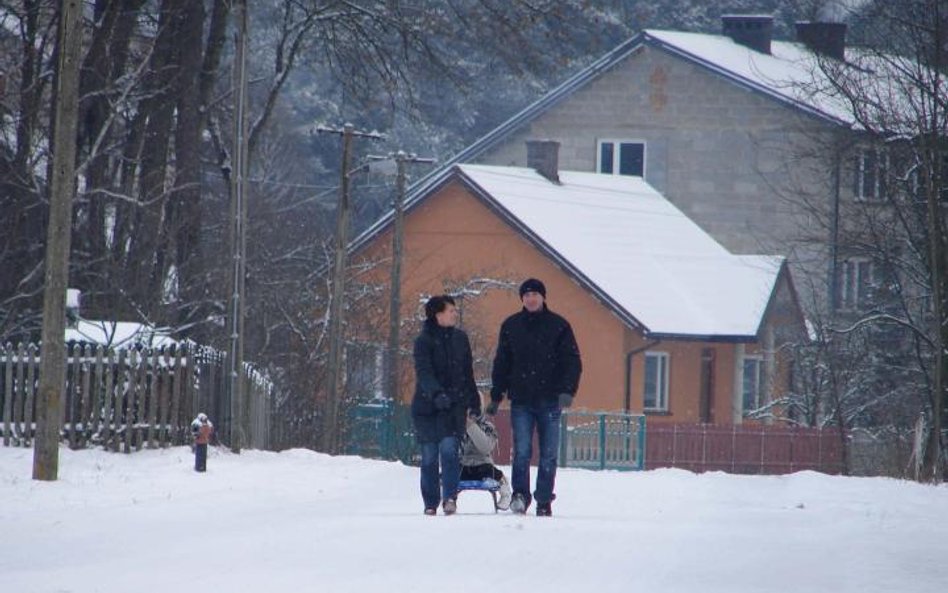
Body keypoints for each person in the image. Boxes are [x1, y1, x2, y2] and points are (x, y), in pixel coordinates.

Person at [486, 278, 581, 516]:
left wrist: (567, 391)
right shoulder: (511, 326)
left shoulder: (559, 326)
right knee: (522, 451)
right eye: (526, 295)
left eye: (535, 294)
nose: (530, 299)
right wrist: (497, 395)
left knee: (548, 453)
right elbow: (502, 363)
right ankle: (520, 495)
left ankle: (544, 499)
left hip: (550, 399)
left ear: (543, 297)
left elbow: (572, 361)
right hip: (521, 400)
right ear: (522, 299)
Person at [411, 294, 481, 516]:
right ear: (438, 314)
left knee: (450, 451)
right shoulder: (423, 341)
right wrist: (435, 393)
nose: (454, 314)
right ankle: (430, 502)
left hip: (454, 406)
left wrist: (474, 400)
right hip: (427, 408)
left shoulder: (461, 339)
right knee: (430, 455)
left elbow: (467, 372)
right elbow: (424, 372)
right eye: (451, 310)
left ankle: (449, 497)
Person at [460, 408, 513, 511]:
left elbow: (485, 447)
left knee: (492, 472)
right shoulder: (456, 424)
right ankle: (448, 499)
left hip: (482, 464)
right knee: (448, 474)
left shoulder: (488, 427)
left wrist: (471, 426)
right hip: (463, 464)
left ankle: (505, 492)